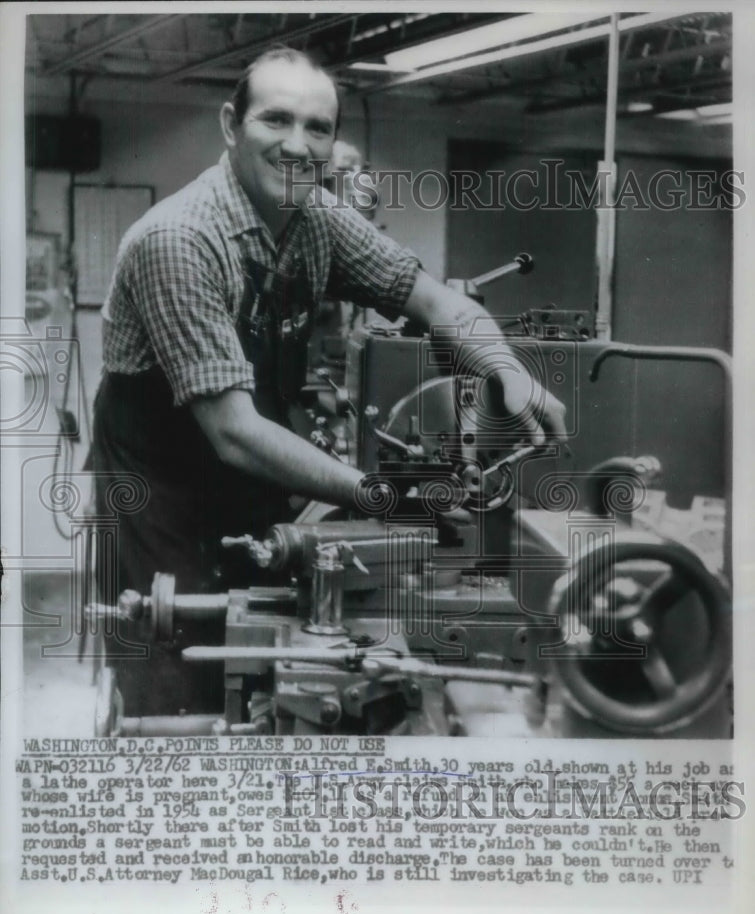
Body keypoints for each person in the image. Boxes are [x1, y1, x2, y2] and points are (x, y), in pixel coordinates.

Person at [92, 45, 566, 717]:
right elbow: (233, 431)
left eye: (317, 128)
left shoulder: (318, 221)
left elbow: (438, 303)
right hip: (160, 489)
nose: (297, 146)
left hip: (245, 466)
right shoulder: (178, 239)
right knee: (181, 679)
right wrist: (382, 495)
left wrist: (508, 371)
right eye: (275, 121)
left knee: (271, 647)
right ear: (231, 125)